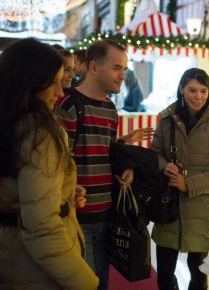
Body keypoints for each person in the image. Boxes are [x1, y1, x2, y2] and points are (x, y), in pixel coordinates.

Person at [0, 38, 98, 289]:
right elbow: (41, 227)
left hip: (0, 249)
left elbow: (14, 189)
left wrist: (62, 192)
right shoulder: (38, 131)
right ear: (29, 83)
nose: (60, 92)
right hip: (34, 268)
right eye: (54, 82)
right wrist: (86, 282)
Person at [55, 39, 153, 290]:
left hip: (108, 213)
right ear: (94, 67)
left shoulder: (110, 108)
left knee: (102, 283)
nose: (123, 75)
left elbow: (108, 152)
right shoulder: (68, 103)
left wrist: (124, 169)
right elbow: (59, 162)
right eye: (117, 68)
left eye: (124, 69)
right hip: (77, 216)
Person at [150, 68, 209, 290]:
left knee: (198, 276)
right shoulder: (166, 119)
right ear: (181, 89)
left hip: (202, 209)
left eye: (203, 91)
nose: (198, 96)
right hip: (168, 207)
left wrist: (188, 183)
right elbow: (154, 153)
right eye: (192, 90)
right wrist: (164, 166)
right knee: (164, 275)